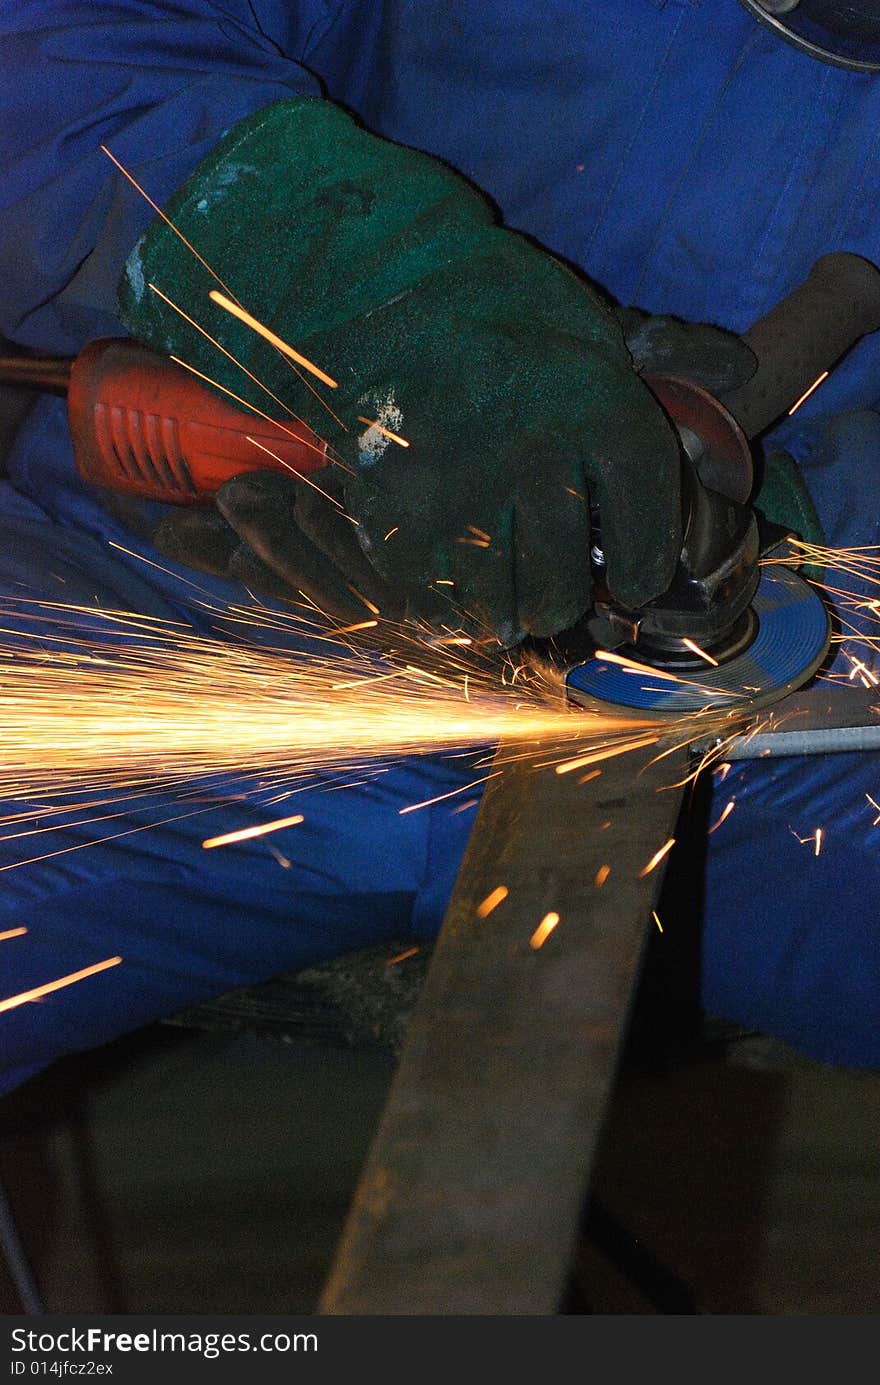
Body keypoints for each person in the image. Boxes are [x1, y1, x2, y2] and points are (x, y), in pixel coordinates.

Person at [1, 0, 879, 1097]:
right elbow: (49, 47)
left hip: (784, 696)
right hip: (173, 608)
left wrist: (789, 510)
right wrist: (383, 295)